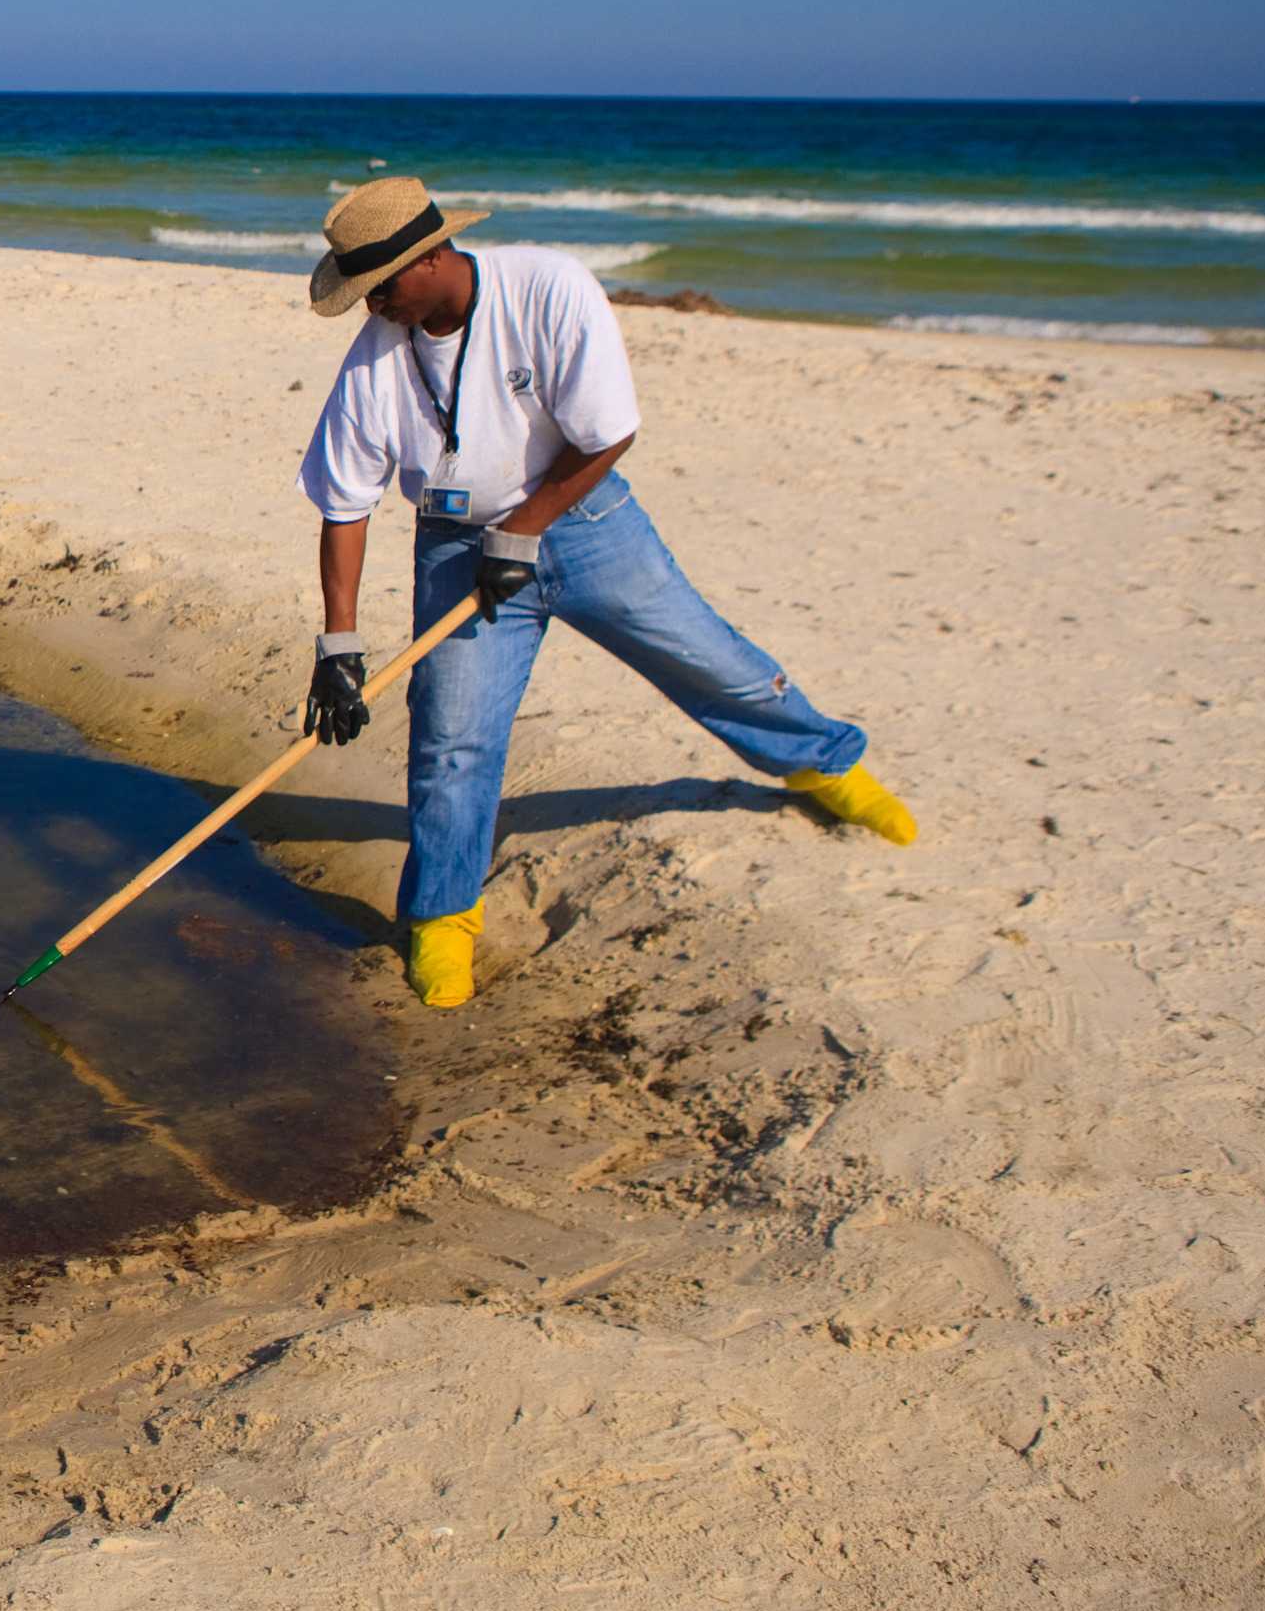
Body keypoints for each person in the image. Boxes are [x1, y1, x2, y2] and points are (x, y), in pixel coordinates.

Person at [294, 176, 912, 1010]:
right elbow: (345, 503)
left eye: (382, 287)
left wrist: (526, 528)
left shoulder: (548, 288)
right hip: (455, 549)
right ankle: (443, 916)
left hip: (587, 522)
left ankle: (824, 762)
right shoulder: (377, 355)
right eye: (361, 293)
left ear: (433, 255)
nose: (373, 308)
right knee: (452, 742)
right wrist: (339, 644)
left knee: (706, 658)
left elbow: (607, 433)